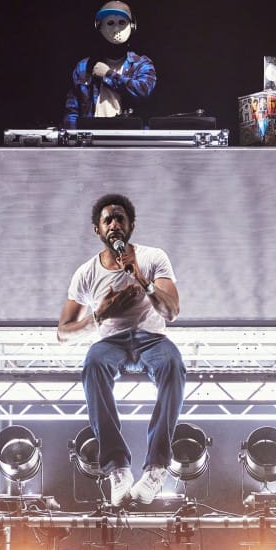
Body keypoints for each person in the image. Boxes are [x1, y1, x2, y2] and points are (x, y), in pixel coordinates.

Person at [57, 194, 185, 507]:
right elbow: (63, 332)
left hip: (151, 339)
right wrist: (100, 315)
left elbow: (171, 312)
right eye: (108, 220)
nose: (114, 224)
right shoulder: (86, 273)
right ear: (97, 230)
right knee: (93, 364)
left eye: (120, 219)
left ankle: (156, 468)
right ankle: (117, 468)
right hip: (110, 342)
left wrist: (143, 280)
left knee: (173, 364)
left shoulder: (153, 257)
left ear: (131, 226)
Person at [62, 0, 156, 129]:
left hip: (130, 135)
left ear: (132, 26)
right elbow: (72, 110)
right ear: (99, 27)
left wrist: (107, 74)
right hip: (94, 135)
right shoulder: (84, 66)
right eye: (110, 23)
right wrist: (73, 137)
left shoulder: (141, 64)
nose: (116, 29)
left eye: (122, 22)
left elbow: (143, 91)